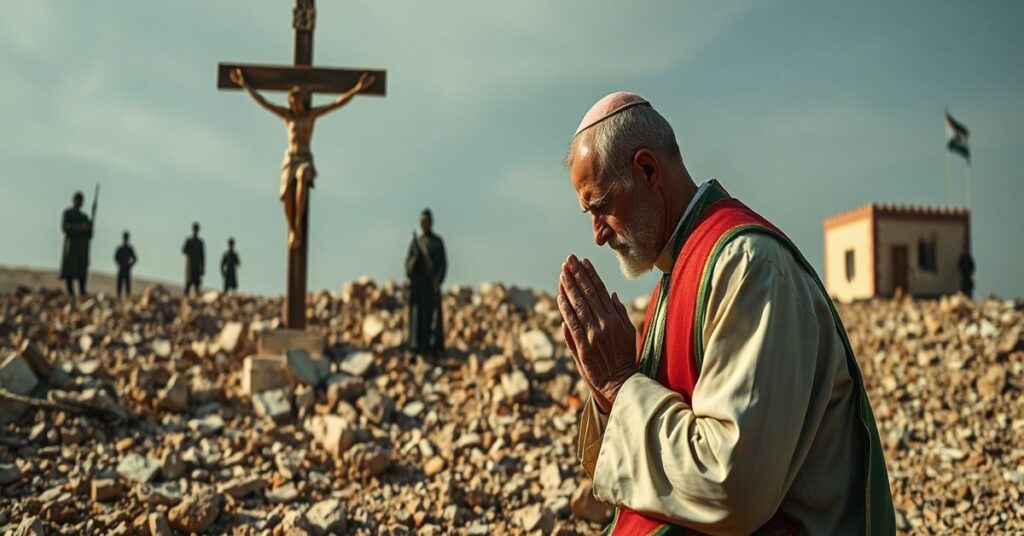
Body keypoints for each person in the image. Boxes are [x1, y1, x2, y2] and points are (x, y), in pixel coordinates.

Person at [559, 92, 895, 534]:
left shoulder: (749, 267)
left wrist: (621, 384)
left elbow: (732, 486)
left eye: (601, 206)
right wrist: (608, 394)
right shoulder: (675, 279)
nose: (598, 235)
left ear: (647, 170)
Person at [230, 68, 375, 249]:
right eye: (292, 101)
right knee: (286, 195)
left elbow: (337, 103)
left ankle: (298, 224)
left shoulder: (311, 115)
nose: (294, 104)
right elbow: (264, 103)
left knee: (304, 174)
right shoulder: (286, 116)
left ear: (303, 100)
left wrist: (357, 88)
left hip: (304, 157)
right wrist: (244, 84)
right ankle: (292, 228)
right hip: (290, 158)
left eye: (297, 100)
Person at [405, 209, 447, 357]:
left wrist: (438, 280)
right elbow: (408, 266)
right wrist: (415, 262)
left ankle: (433, 347)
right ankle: (416, 346)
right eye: (422, 222)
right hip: (418, 288)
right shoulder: (416, 243)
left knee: (431, 317)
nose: (425, 225)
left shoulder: (437, 243)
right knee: (417, 317)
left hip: (431, 287)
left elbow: (443, 264)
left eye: (427, 222)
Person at [59, 191, 92, 296]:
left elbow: (90, 235)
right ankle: (70, 294)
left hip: (81, 249)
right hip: (72, 248)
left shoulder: (84, 217)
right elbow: (65, 227)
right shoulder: (68, 213)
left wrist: (89, 227)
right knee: (70, 272)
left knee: (81, 272)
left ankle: (82, 292)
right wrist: (80, 227)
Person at [182, 222, 205, 297]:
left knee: (197, 287)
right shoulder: (189, 241)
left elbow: (202, 257)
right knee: (188, 285)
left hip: (197, 268)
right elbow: (184, 251)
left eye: (197, 229)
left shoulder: (200, 243)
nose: (195, 231)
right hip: (190, 266)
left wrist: (202, 269)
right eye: (194, 229)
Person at [114, 231, 137, 297]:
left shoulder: (129, 249)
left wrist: (129, 265)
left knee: (127, 287)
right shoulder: (120, 249)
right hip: (122, 268)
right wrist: (120, 263)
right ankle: (119, 297)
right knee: (120, 286)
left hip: (126, 269)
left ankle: (126, 298)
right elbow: (116, 257)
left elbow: (135, 259)